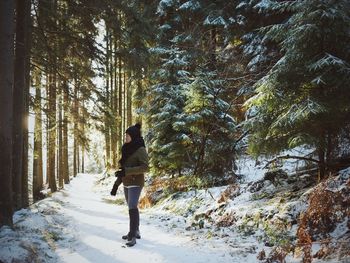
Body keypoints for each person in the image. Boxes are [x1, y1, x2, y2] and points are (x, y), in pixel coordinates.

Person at [114, 123, 149, 247]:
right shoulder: (126, 148)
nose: (125, 138)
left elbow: (145, 167)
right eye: (125, 136)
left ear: (133, 136)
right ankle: (137, 230)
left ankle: (132, 235)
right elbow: (123, 167)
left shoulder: (140, 149)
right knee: (131, 207)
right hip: (126, 182)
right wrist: (116, 183)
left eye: (127, 136)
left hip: (136, 182)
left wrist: (127, 171)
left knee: (132, 206)